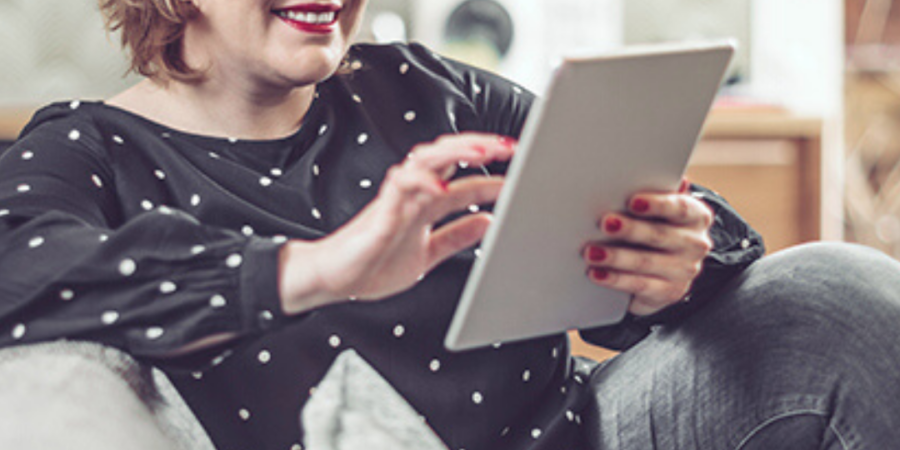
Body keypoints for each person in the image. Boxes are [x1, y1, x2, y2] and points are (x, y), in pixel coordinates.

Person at [1, 0, 899, 449]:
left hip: (576, 431)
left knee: (833, 295)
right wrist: (310, 270)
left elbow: (685, 230)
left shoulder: (429, 90)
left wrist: (675, 261)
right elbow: (22, 280)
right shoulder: (87, 149)